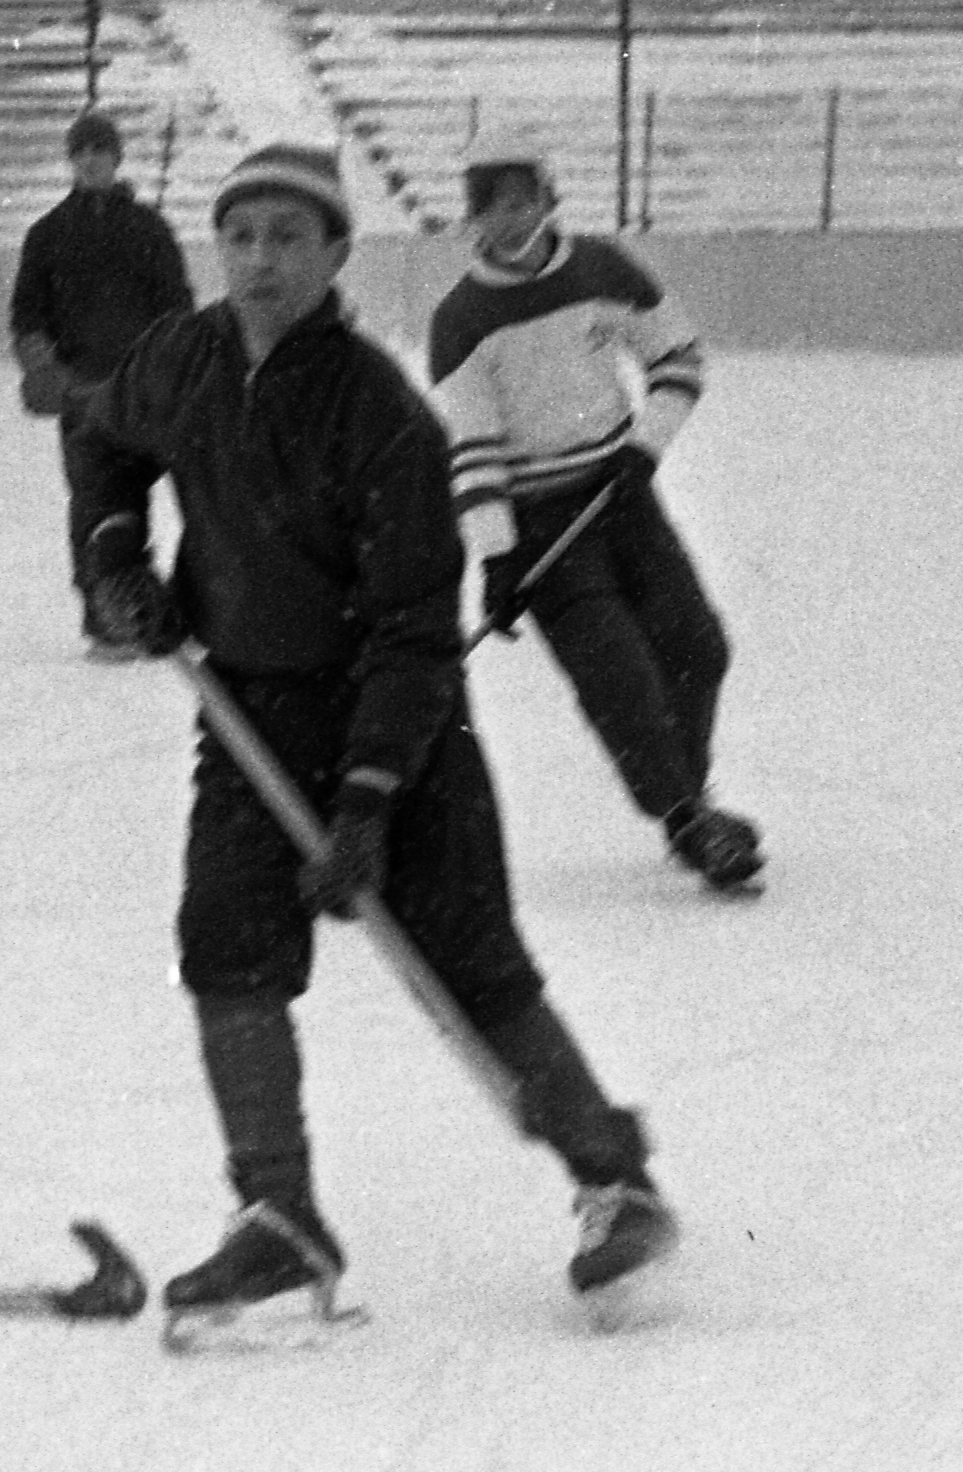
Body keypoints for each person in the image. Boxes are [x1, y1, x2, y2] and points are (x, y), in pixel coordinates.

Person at [67, 141, 680, 1327]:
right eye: (241, 236)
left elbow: (413, 630)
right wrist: (114, 548)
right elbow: (103, 436)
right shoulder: (183, 358)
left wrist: (364, 804)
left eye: (288, 238)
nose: (260, 260)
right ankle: (279, 1216)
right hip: (244, 709)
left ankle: (617, 1181)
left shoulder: (381, 412)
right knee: (226, 947)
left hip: (397, 727)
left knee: (470, 966)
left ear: (337, 253)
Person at [428, 134, 760, 895]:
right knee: (621, 681)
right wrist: (497, 558)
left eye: (523, 201)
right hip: (542, 528)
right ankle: (688, 817)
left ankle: (686, 800)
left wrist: (643, 448)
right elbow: (474, 452)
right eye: (492, 207)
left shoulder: (602, 270)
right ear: (473, 217)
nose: (510, 219)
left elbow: (678, 358)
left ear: (548, 199)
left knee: (698, 646)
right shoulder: (461, 319)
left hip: (622, 498)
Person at [8, 109, 195, 657]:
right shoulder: (46, 235)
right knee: (96, 504)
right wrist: (47, 370)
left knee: (176, 497)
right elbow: (27, 316)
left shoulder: (149, 229)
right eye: (82, 151)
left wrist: (169, 370)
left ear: (117, 158)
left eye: (100, 150)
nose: (91, 161)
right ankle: (105, 615)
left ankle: (179, 607)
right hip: (83, 396)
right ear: (71, 160)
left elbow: (176, 308)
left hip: (146, 393)